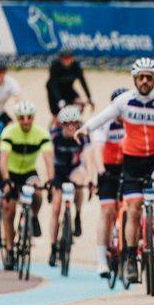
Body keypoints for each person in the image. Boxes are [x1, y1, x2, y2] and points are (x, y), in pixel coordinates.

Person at [78, 58, 154, 283]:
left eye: (149, 77)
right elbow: (103, 116)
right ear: (135, 79)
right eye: (141, 77)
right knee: (133, 209)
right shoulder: (124, 101)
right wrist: (84, 128)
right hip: (132, 161)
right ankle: (130, 257)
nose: (145, 81)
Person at [0, 101, 54, 270]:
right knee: (9, 209)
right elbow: (3, 159)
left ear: (33, 117)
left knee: (38, 192)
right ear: (17, 118)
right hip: (12, 173)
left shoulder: (41, 133)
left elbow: (48, 159)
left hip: (29, 172)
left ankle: (34, 217)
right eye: (21, 118)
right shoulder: (9, 132)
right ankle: (9, 250)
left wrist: (50, 180)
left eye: (29, 117)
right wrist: (7, 180)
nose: (25, 121)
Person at [89, 88, 127, 277]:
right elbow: (97, 148)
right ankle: (102, 260)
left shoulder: (133, 118)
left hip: (128, 167)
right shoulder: (104, 122)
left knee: (128, 207)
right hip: (108, 168)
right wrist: (101, 171)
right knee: (107, 210)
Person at [47, 106, 91, 267]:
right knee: (56, 208)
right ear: (61, 124)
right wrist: (50, 180)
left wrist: (91, 178)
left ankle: (77, 214)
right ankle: (53, 247)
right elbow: (47, 156)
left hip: (74, 169)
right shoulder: (54, 135)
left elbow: (88, 157)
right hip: (58, 171)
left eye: (74, 123)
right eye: (67, 124)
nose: (71, 127)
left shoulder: (83, 135)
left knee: (79, 183)